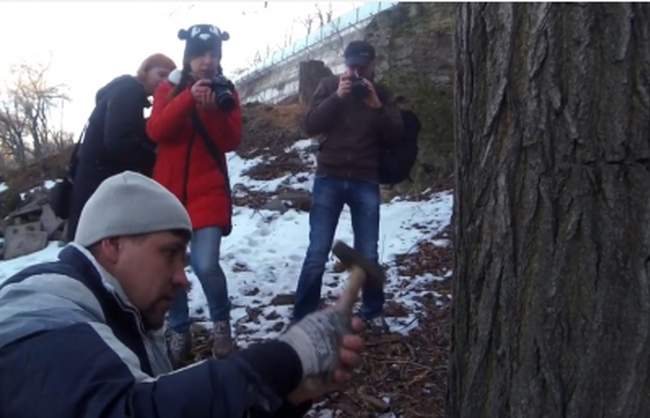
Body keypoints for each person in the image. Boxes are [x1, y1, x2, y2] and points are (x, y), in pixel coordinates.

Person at [0, 171, 364, 418]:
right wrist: (281, 360)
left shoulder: (128, 326)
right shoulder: (40, 304)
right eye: (169, 253)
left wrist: (289, 396)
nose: (182, 278)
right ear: (112, 245)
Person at [293, 40, 404, 330]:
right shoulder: (330, 86)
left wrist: (377, 107)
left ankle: (372, 309)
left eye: (363, 66)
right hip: (329, 177)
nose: (357, 72)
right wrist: (337, 98)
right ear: (346, 64)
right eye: (352, 66)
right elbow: (310, 125)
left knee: (368, 251)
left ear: (373, 65)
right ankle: (303, 316)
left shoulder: (381, 93)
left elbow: (396, 137)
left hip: (365, 179)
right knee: (317, 252)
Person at [146, 24, 240, 361]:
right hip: (168, 196)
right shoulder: (167, 90)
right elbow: (157, 131)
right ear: (188, 58)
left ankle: (222, 326)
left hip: (208, 192)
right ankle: (179, 329)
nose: (207, 61)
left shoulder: (226, 90)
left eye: (213, 54)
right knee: (171, 267)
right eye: (201, 54)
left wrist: (212, 110)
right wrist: (188, 98)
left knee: (205, 264)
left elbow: (230, 141)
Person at [66, 53, 176, 242]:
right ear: (145, 70)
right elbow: (119, 141)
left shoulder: (121, 92)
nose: (164, 81)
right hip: (102, 182)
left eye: (169, 77)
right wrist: (154, 161)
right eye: (161, 74)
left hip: (93, 180)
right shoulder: (129, 90)